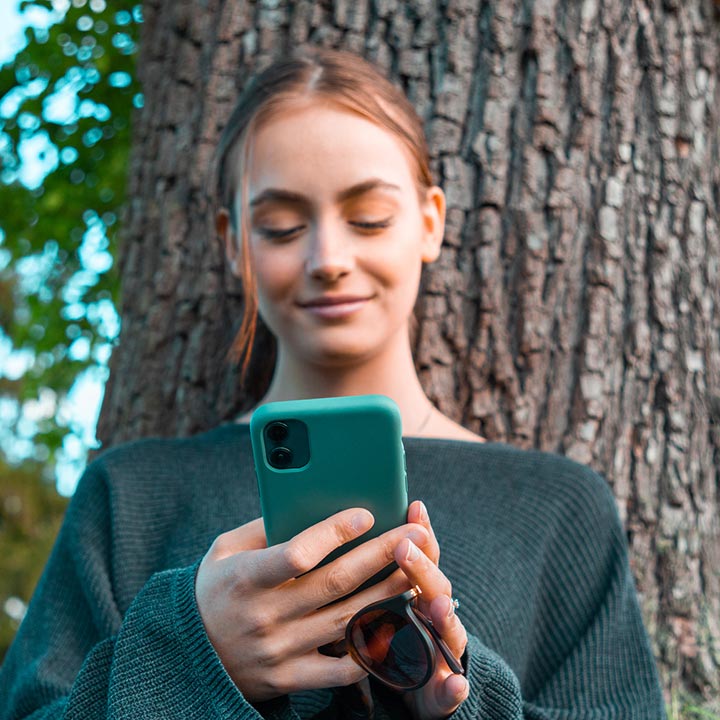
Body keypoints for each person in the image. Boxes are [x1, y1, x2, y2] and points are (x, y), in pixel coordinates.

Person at [0, 46, 666, 720]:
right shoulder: (131, 496)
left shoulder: (556, 508)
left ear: (430, 221)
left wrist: (461, 701)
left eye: (369, 218)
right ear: (233, 243)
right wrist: (193, 660)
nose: (328, 260)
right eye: (281, 226)